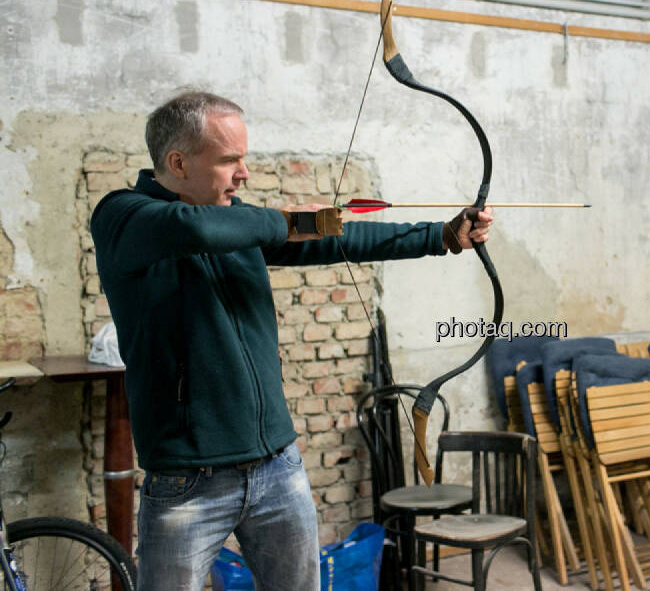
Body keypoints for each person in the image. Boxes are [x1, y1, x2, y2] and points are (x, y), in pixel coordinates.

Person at [90, 91, 493, 590]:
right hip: (186, 481)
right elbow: (193, 230)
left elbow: (340, 241)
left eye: (244, 159)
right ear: (177, 162)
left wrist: (440, 237)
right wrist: (286, 222)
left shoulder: (234, 220)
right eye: (229, 160)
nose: (244, 174)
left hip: (277, 468)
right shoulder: (124, 217)